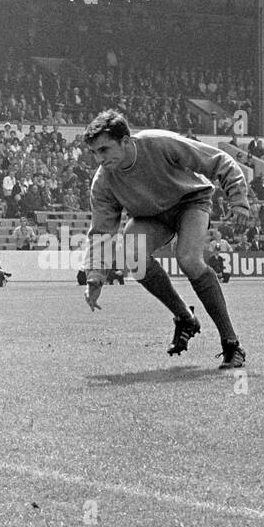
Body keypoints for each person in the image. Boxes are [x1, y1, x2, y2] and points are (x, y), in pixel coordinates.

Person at [78, 110, 250, 369]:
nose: (99, 159)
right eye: (94, 153)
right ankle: (185, 318)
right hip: (151, 216)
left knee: (188, 259)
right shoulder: (103, 182)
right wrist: (95, 276)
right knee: (133, 256)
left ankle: (231, 344)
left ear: (126, 141)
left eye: (104, 149)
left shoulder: (158, 142)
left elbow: (218, 159)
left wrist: (238, 200)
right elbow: (102, 230)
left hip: (190, 202)